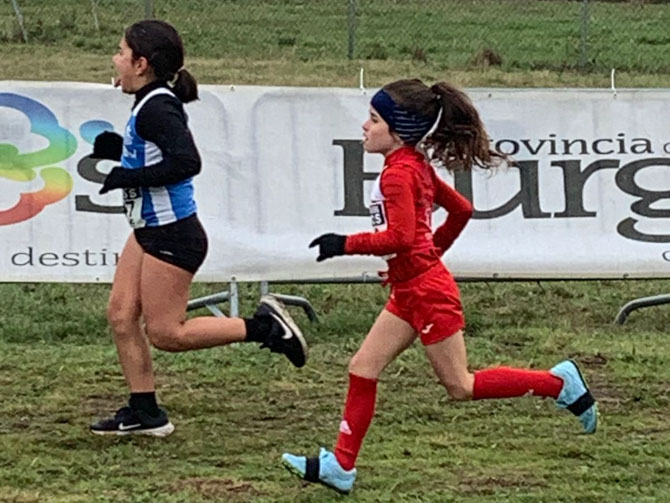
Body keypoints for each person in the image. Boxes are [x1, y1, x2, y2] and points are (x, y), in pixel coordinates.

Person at [281, 79, 597, 493]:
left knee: (460, 386)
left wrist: (344, 244)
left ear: (399, 130)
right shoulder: (411, 164)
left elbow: (398, 237)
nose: (364, 126)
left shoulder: (400, 174)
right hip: (411, 289)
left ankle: (558, 384)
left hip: (427, 293)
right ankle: (341, 466)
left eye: (373, 119)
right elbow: (460, 210)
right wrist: (423, 258)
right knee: (362, 367)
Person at [89, 20, 307, 437]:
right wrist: (120, 152)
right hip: (149, 228)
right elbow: (158, 154)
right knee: (120, 315)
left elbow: (187, 162)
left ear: (141, 64)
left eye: (120, 52)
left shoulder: (158, 106)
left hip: (172, 234)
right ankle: (146, 413)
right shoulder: (149, 101)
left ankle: (264, 327)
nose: (115, 60)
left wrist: (127, 176)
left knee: (166, 334)